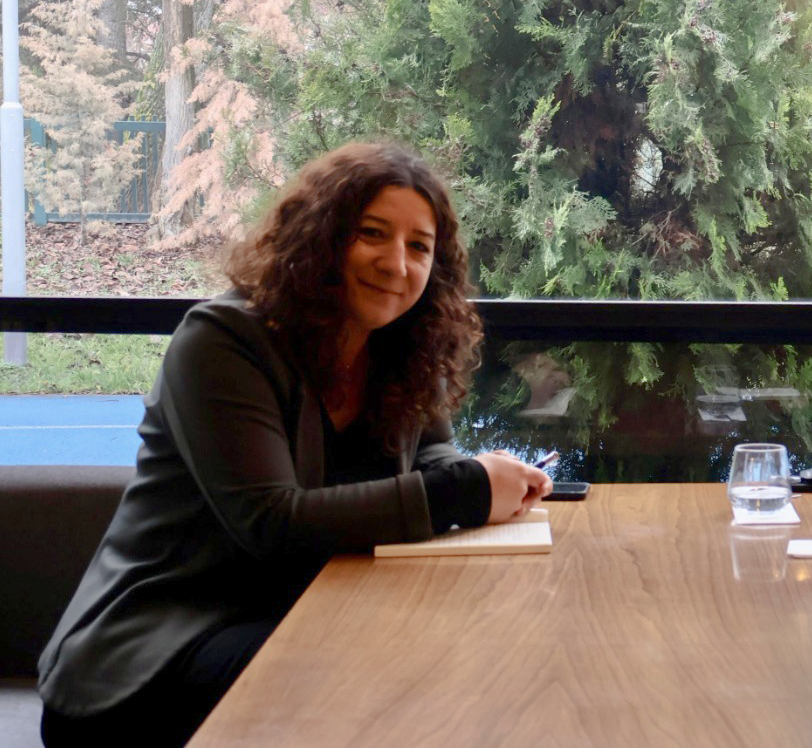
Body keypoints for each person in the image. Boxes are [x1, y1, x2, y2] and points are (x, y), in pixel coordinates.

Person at [37, 142, 552, 746]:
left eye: (419, 246)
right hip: (150, 655)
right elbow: (272, 521)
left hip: (301, 609)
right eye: (372, 233)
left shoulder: (402, 344)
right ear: (321, 237)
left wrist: (483, 478)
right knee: (374, 674)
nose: (397, 264)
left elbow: (432, 453)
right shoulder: (222, 341)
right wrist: (463, 490)